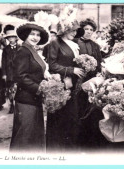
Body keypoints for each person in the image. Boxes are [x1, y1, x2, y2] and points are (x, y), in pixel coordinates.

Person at [44, 19, 85, 152]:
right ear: (65, 30)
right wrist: (71, 70)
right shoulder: (55, 43)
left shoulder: (73, 44)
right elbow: (52, 65)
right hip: (61, 85)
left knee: (70, 118)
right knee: (60, 118)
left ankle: (68, 148)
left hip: (72, 85)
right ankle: (57, 149)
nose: (74, 33)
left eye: (75, 30)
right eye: (72, 30)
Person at [9, 22, 50, 153]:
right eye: (32, 34)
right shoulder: (23, 51)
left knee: (33, 135)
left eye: (38, 35)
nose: (35, 37)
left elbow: (38, 72)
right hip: (26, 99)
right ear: (26, 35)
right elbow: (20, 76)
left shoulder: (32, 50)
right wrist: (39, 88)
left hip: (34, 98)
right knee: (24, 136)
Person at [75, 18, 107, 151]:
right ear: (81, 29)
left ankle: (90, 141)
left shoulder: (95, 45)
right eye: (86, 29)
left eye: (91, 30)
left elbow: (99, 64)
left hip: (92, 81)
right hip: (79, 79)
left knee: (92, 109)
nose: (88, 32)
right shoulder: (75, 43)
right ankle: (79, 141)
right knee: (79, 108)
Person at [1, 24, 19, 114]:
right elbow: (3, 62)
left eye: (13, 37)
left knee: (18, 88)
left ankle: (18, 105)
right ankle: (12, 105)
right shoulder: (5, 49)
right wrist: (4, 74)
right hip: (9, 72)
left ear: (16, 38)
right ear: (7, 39)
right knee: (10, 89)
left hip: (18, 71)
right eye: (9, 37)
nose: (11, 39)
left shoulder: (20, 48)